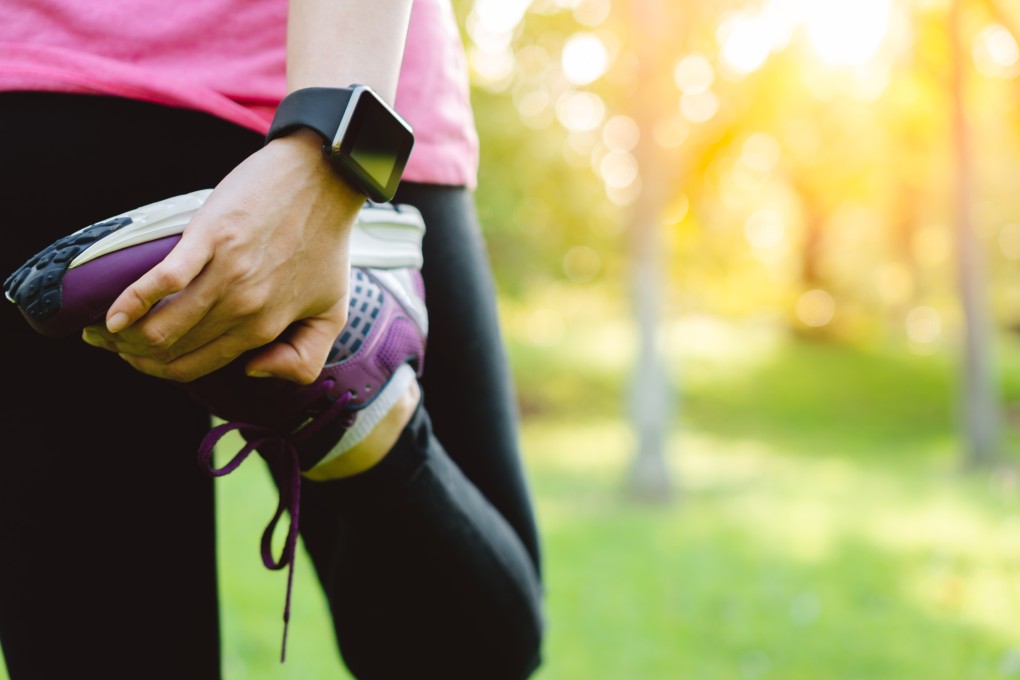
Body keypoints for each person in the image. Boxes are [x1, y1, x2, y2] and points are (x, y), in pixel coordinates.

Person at [0, 1, 545, 678]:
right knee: (469, 654)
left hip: (32, 110)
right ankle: (361, 413)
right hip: (303, 77)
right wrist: (333, 151)